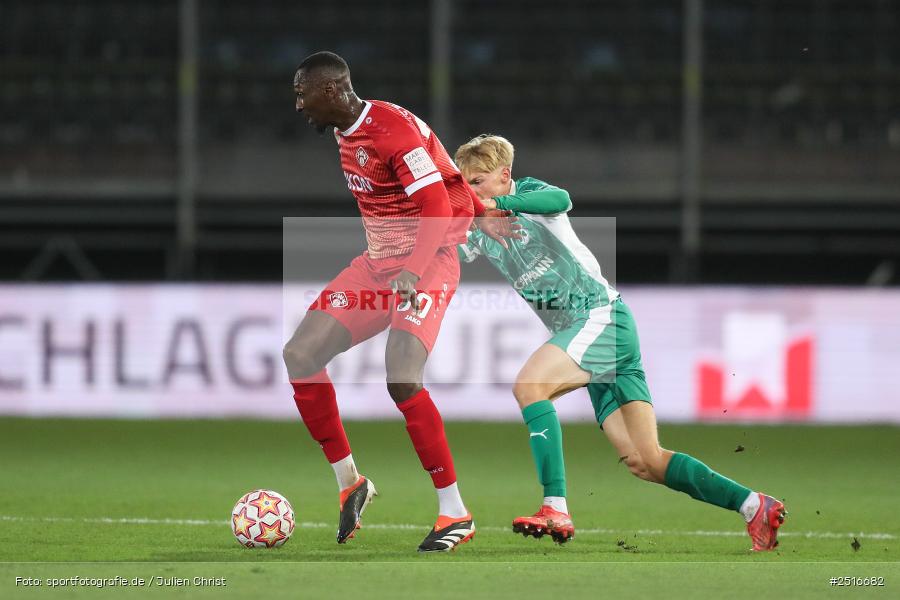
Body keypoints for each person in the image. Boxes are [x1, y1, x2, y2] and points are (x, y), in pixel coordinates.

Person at [455, 134, 786, 551]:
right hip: (598, 339)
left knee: (529, 387)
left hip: (600, 319)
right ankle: (754, 505)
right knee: (644, 460)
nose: (471, 191)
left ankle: (555, 505)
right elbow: (446, 249)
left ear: (505, 177)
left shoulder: (530, 195)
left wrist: (498, 206)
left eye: (479, 181)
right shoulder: (481, 228)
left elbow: (561, 199)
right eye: (464, 184)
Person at [284, 52, 516, 552]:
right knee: (300, 355)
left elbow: (433, 202)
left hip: (426, 266)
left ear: (330, 92)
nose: (299, 105)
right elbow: (446, 172)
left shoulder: (389, 130)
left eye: (302, 94)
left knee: (402, 375)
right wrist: (477, 208)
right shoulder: (349, 131)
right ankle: (351, 480)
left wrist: (414, 267)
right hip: (377, 266)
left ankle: (455, 512)